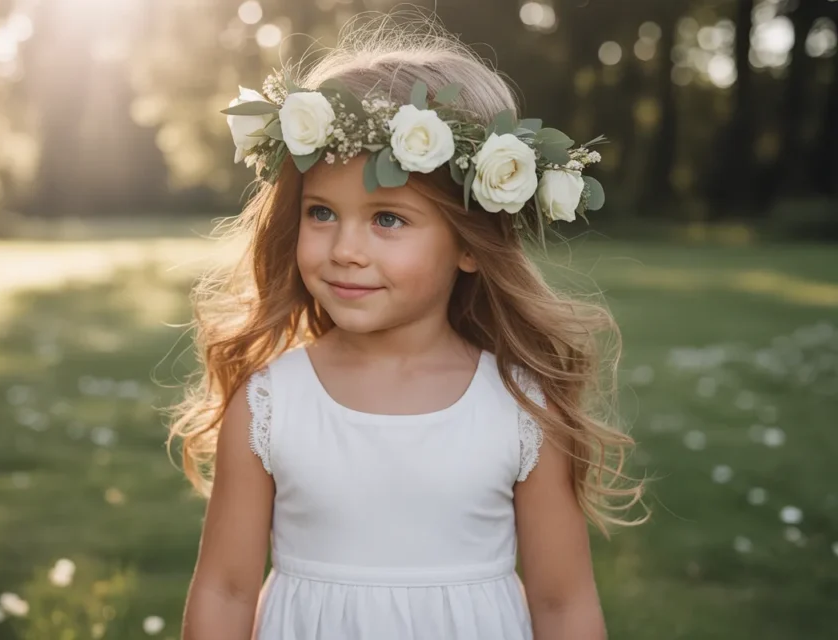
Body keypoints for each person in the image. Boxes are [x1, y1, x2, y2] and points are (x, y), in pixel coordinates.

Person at [170, 13, 648, 640]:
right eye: (321, 212)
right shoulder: (268, 403)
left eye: (388, 219)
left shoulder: (520, 407)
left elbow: (563, 605)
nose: (345, 249)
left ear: (471, 245)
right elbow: (225, 590)